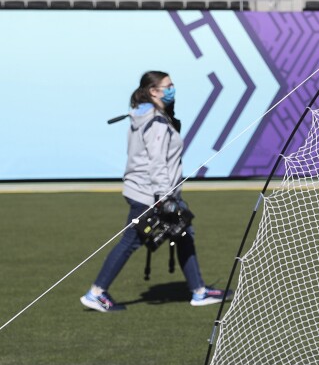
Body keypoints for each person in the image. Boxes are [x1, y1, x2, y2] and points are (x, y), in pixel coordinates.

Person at [81, 71, 224, 312]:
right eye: (167, 86)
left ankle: (199, 290)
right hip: (150, 194)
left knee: (184, 232)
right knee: (131, 241)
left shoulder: (145, 116)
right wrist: (164, 198)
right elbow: (157, 162)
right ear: (153, 91)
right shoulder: (155, 121)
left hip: (148, 190)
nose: (172, 89)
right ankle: (96, 292)